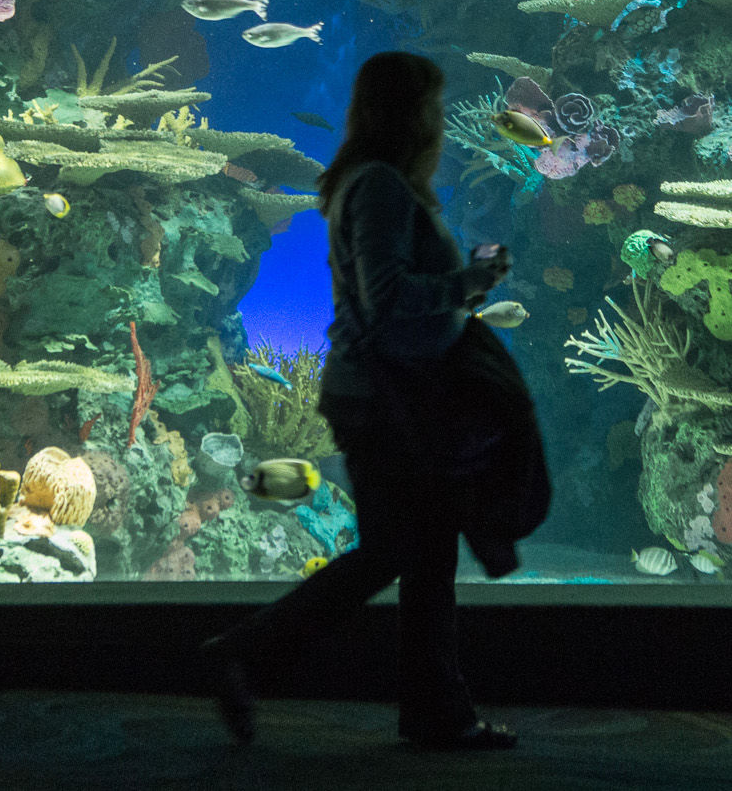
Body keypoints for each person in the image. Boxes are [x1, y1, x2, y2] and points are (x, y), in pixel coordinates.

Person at [198, 51, 548, 752]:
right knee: (403, 550)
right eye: (433, 107)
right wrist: (468, 283)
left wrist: (464, 282)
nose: (440, 121)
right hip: (386, 398)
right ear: (408, 114)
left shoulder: (372, 183)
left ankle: (435, 711)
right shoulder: (381, 187)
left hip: (390, 393)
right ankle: (245, 651)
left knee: (423, 554)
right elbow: (385, 298)